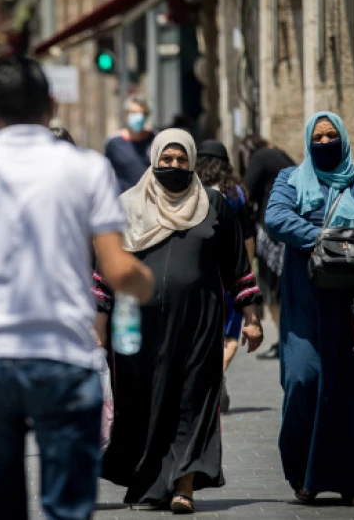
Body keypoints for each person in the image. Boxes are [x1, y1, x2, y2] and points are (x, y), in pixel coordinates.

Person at [0, 54, 155, 520]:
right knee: (67, 510)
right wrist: (144, 282)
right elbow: (117, 269)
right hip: (64, 358)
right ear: (50, 106)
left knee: (0, 509)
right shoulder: (88, 169)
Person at [96, 130, 263, 514]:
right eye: (166, 160)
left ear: (191, 162)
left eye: (180, 160)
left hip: (198, 324)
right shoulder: (126, 207)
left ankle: (184, 484)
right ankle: (150, 482)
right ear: (154, 159)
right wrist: (98, 319)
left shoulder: (213, 205)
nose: (173, 167)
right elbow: (104, 269)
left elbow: (237, 263)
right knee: (144, 403)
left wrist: (251, 316)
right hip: (137, 329)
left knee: (192, 398)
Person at [266, 112, 354, 506]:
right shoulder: (290, 180)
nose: (325, 143)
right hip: (307, 302)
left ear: (344, 139)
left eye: (331, 136)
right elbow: (276, 218)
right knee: (302, 380)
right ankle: (304, 476)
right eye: (318, 137)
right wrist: (325, 238)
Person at [194, 139, 256, 412]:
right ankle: (216, 378)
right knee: (230, 333)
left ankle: (207, 381)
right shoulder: (237, 194)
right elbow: (248, 237)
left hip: (198, 270)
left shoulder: (188, 190)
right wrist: (247, 269)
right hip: (230, 272)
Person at [241, 134, 295, 360]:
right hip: (289, 227)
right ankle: (288, 341)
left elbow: (245, 192)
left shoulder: (259, 158)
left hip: (269, 231)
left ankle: (282, 343)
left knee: (271, 288)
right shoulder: (281, 155)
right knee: (285, 287)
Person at [104, 96, 156, 193]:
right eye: (134, 113)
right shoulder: (114, 143)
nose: (139, 117)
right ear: (125, 115)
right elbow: (106, 174)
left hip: (150, 198)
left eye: (142, 113)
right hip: (124, 200)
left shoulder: (155, 140)